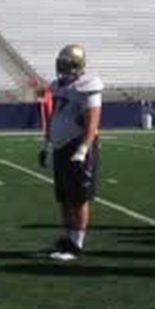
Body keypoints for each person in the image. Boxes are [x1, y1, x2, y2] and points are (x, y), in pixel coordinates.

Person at [38, 44, 103, 261]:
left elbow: (93, 121)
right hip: (60, 147)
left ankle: (77, 244)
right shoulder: (58, 86)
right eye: (61, 62)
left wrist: (84, 148)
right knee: (64, 198)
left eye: (66, 63)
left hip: (77, 147)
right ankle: (68, 238)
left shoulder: (88, 85)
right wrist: (47, 145)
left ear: (77, 65)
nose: (62, 66)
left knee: (79, 199)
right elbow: (54, 116)